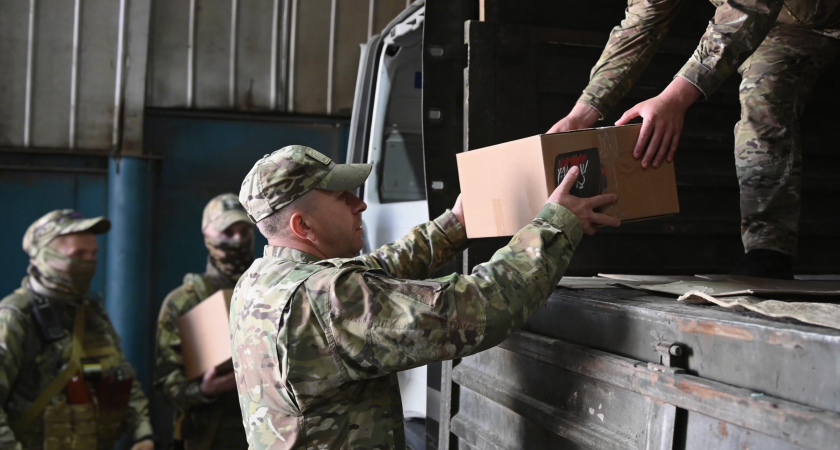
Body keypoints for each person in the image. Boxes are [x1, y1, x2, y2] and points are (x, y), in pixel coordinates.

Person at [229, 145, 620, 449]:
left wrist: (455, 224)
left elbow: (373, 271)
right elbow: (481, 309)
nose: (359, 203)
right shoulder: (325, 299)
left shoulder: (259, 283)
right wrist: (555, 224)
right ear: (304, 225)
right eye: (341, 197)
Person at [548, 0, 840, 279]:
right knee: (763, 104)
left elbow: (750, 5)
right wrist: (584, 111)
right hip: (781, 28)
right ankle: (769, 253)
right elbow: (641, 23)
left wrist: (675, 97)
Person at [0, 210, 154, 450]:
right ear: (42, 257)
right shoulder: (15, 317)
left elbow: (121, 377)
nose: (88, 263)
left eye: (93, 254)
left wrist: (142, 434)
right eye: (78, 254)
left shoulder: (90, 312)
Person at [154, 194, 253, 450]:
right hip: (211, 435)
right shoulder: (184, 301)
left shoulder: (268, 290)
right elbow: (167, 384)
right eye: (227, 232)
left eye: (244, 230)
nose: (238, 239)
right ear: (206, 235)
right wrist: (206, 390)